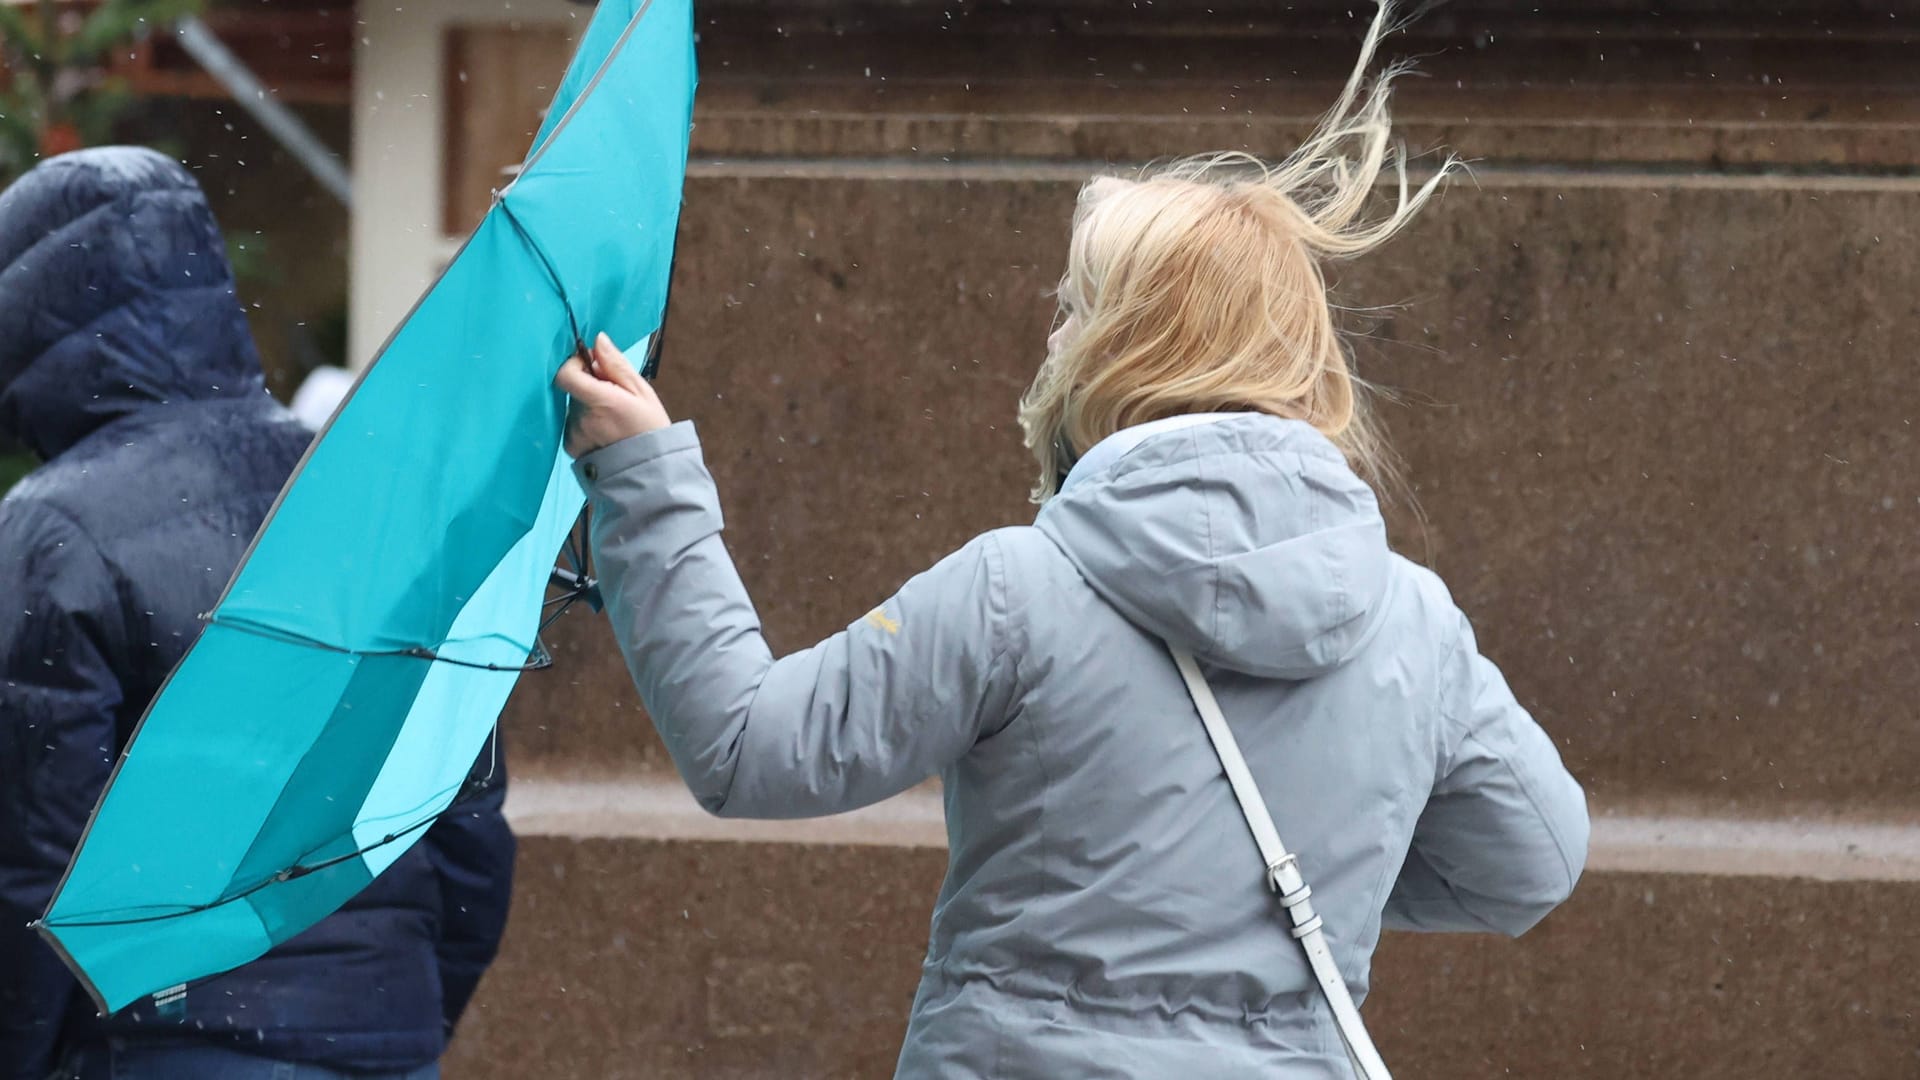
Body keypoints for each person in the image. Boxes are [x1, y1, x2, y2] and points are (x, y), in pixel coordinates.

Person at [556, 8, 1588, 1077]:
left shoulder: (1021, 590)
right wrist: (1293, 899)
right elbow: (1534, 862)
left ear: (1130, 347)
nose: (1055, 334)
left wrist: (644, 479)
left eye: (1076, 308)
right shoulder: (1413, 620)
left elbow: (748, 750)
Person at [0, 148, 516, 1080]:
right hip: (382, 1031)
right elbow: (463, 817)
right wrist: (404, 1013)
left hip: (159, 1042)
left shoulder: (54, 530)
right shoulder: (368, 493)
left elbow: (33, 861)